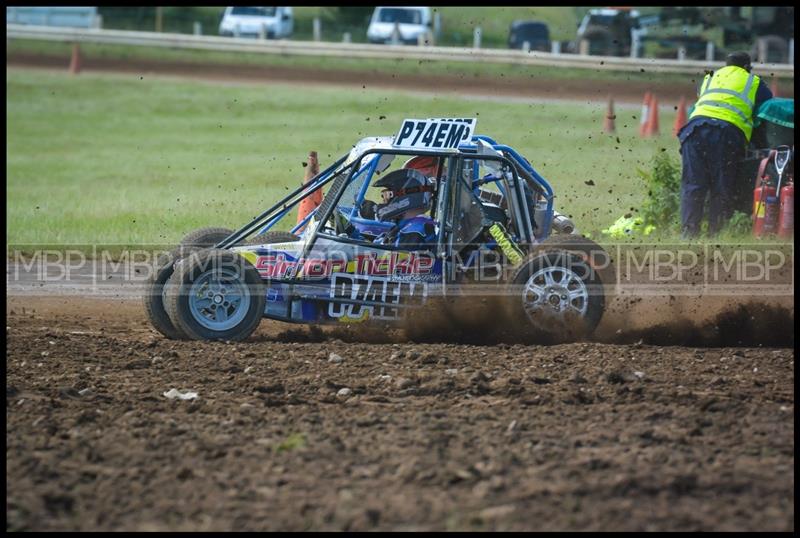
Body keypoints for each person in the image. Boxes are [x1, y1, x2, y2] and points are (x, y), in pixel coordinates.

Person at [678, 51, 773, 238]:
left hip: (693, 130)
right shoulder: (753, 82)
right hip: (725, 132)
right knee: (721, 185)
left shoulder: (709, 77)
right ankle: (715, 234)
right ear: (747, 67)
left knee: (693, 184)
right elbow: (765, 109)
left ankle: (688, 234)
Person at [372, 167, 437, 249]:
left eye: (387, 195)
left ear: (407, 198)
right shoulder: (403, 226)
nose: (384, 201)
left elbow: (390, 258)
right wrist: (352, 232)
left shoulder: (414, 230)